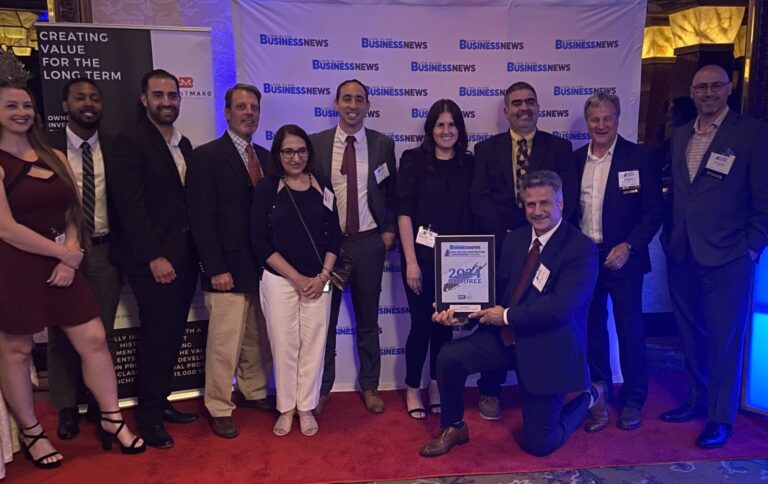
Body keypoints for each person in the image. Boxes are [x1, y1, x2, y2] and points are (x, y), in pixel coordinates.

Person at [0, 81, 144, 470]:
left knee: (94, 338)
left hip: (64, 261)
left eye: (26, 105)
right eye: (11, 106)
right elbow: (5, 228)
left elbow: (72, 214)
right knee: (18, 350)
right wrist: (61, 253)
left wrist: (69, 258)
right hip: (15, 264)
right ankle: (31, 431)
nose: (21, 112)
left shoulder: (54, 156)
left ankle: (112, 419)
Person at [420, 170, 599, 458]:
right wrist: (460, 314)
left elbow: (559, 308)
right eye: (531, 204)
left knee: (540, 445)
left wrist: (505, 317)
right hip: (506, 340)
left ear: (561, 203)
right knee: (449, 356)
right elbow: (494, 293)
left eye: (545, 203)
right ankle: (453, 426)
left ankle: (590, 396)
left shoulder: (581, 248)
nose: (537, 211)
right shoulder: (514, 240)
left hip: (548, 348)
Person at [660, 64, 768, 448]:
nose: (707, 93)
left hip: (729, 255)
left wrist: (753, 245)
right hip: (683, 251)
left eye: (715, 86)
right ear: (692, 91)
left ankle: (721, 417)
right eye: (701, 87)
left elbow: (763, 197)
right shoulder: (681, 134)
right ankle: (697, 399)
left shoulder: (752, 133)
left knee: (725, 338)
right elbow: (678, 191)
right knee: (691, 334)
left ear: (729, 88)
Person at [469, 81, 577, 420]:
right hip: (503, 247)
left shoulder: (559, 148)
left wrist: (541, 234)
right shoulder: (486, 150)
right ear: (506, 111)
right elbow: (479, 197)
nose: (523, 108)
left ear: (538, 107)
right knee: (497, 311)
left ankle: (539, 385)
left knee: (539, 313)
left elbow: (567, 198)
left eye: (530, 101)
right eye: (516, 103)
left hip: (547, 248)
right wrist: (511, 234)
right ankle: (490, 389)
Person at [108, 69, 199, 449]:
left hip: (184, 259)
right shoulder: (129, 142)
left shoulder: (185, 143)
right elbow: (131, 209)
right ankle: (147, 418)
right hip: (154, 263)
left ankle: (161, 403)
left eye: (172, 95)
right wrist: (154, 258)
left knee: (172, 336)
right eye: (158, 95)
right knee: (157, 338)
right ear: (144, 99)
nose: (167, 102)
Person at [186, 83, 274, 439]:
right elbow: (200, 218)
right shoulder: (206, 157)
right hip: (225, 269)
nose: (248, 112)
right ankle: (219, 405)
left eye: (254, 107)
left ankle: (253, 391)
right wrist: (215, 267)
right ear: (227, 112)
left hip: (262, 267)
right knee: (224, 342)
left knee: (258, 336)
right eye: (241, 107)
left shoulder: (268, 158)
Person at [575, 92, 663, 432]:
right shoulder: (574, 160)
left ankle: (633, 399)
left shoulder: (639, 157)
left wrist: (629, 245)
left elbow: (654, 211)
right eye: (595, 119)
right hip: (586, 260)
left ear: (617, 119)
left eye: (607, 118)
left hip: (624, 259)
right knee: (592, 329)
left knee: (630, 329)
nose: (600, 125)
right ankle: (599, 394)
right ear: (587, 123)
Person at [310, 79, 397, 415]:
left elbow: (391, 192)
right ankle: (322, 388)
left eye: (359, 99)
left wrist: (387, 232)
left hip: (368, 245)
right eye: (346, 98)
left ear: (368, 106)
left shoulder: (382, 145)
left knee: (367, 320)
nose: (353, 105)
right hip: (330, 247)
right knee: (324, 321)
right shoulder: (316, 144)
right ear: (336, 104)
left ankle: (371, 386)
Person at [45, 78, 123, 441]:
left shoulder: (116, 147)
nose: (88, 103)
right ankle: (66, 407)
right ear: (65, 106)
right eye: (80, 98)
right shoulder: (47, 149)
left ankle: (99, 405)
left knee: (100, 332)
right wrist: (61, 250)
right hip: (59, 253)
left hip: (104, 251)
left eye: (94, 97)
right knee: (61, 333)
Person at [251, 124, 341, 436]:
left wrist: (322, 276)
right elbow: (260, 242)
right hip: (279, 280)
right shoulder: (267, 187)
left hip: (320, 280)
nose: (296, 157)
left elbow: (335, 237)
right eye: (288, 151)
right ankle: (286, 408)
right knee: (284, 344)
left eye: (301, 150)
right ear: (278, 154)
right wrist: (297, 277)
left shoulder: (322, 184)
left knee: (314, 345)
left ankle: (306, 408)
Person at [395, 99, 474, 419]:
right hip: (420, 259)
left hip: (456, 261)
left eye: (452, 124)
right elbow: (403, 214)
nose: (446, 130)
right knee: (421, 326)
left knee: (446, 328)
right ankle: (413, 387)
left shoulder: (469, 164)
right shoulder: (412, 160)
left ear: (459, 129)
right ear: (430, 128)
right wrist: (411, 262)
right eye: (440, 124)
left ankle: (437, 385)